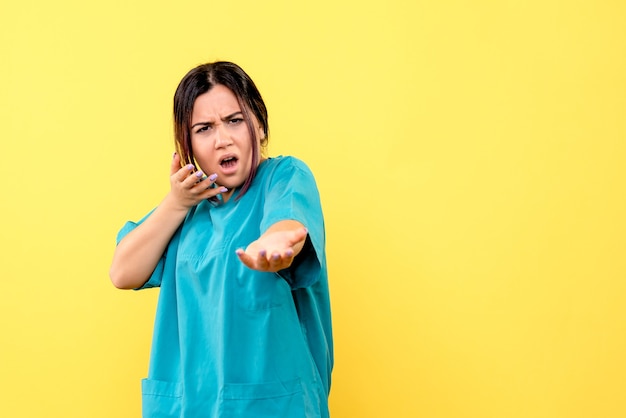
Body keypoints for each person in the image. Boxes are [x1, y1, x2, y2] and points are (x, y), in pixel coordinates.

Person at [109, 61, 333, 417]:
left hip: (273, 406)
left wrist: (273, 245)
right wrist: (176, 202)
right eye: (204, 128)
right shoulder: (187, 209)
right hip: (189, 407)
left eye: (234, 120)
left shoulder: (283, 176)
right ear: (189, 146)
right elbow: (123, 272)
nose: (222, 138)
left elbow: (286, 223)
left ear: (258, 125)